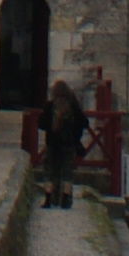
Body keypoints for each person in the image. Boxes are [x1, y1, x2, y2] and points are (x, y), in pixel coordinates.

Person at [38, 76, 90, 209]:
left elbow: (41, 124)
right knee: (67, 172)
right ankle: (66, 199)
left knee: (50, 171)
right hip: (69, 144)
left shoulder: (50, 106)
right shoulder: (72, 106)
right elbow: (84, 122)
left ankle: (49, 199)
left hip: (52, 144)